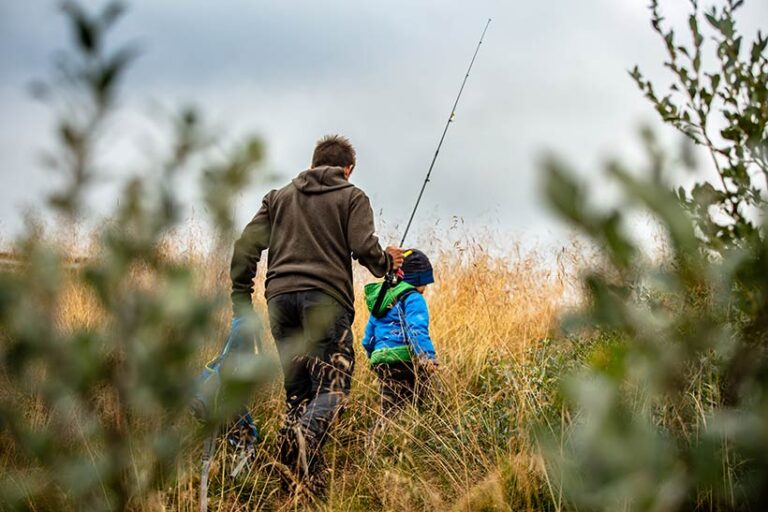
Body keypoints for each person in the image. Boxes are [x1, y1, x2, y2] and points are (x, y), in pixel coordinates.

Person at [229, 134, 404, 498]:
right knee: (334, 389)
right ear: (348, 169)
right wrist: (387, 261)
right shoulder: (352, 196)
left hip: (279, 301)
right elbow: (363, 248)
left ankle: (297, 488)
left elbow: (246, 245)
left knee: (298, 394)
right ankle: (300, 441)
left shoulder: (277, 198)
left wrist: (240, 296)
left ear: (312, 164)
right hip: (325, 303)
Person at [362, 249, 438, 424]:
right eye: (424, 283)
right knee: (427, 400)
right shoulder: (413, 298)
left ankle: (376, 443)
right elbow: (416, 329)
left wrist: (375, 356)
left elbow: (368, 339)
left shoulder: (382, 300)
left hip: (382, 360)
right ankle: (427, 431)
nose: (425, 289)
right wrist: (426, 356)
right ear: (415, 279)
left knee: (389, 405)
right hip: (405, 360)